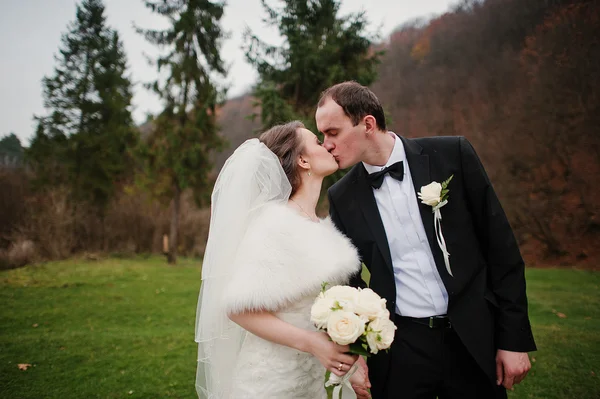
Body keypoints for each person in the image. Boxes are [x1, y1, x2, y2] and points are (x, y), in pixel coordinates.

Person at [316, 81, 537, 399]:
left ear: (367, 123)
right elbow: (349, 280)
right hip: (400, 348)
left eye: (332, 133)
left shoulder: (453, 154)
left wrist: (512, 340)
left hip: (472, 337)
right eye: (322, 135)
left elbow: (501, 249)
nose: (326, 145)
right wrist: (361, 344)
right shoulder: (342, 196)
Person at [194, 121, 365, 398]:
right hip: (270, 384)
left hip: (309, 384)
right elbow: (239, 309)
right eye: (317, 141)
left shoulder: (319, 226)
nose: (327, 145)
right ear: (302, 160)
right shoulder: (274, 224)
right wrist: (312, 343)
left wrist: (351, 359)